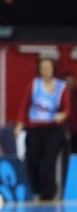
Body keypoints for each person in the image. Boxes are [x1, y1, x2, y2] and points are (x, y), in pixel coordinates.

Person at [15, 58, 70, 200]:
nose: (45, 71)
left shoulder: (61, 87)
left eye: (48, 67)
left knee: (49, 161)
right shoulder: (33, 85)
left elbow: (67, 110)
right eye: (43, 68)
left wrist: (62, 116)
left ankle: (49, 193)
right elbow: (24, 105)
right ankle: (35, 190)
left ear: (54, 69)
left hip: (53, 130)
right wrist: (20, 124)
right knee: (33, 160)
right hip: (34, 128)